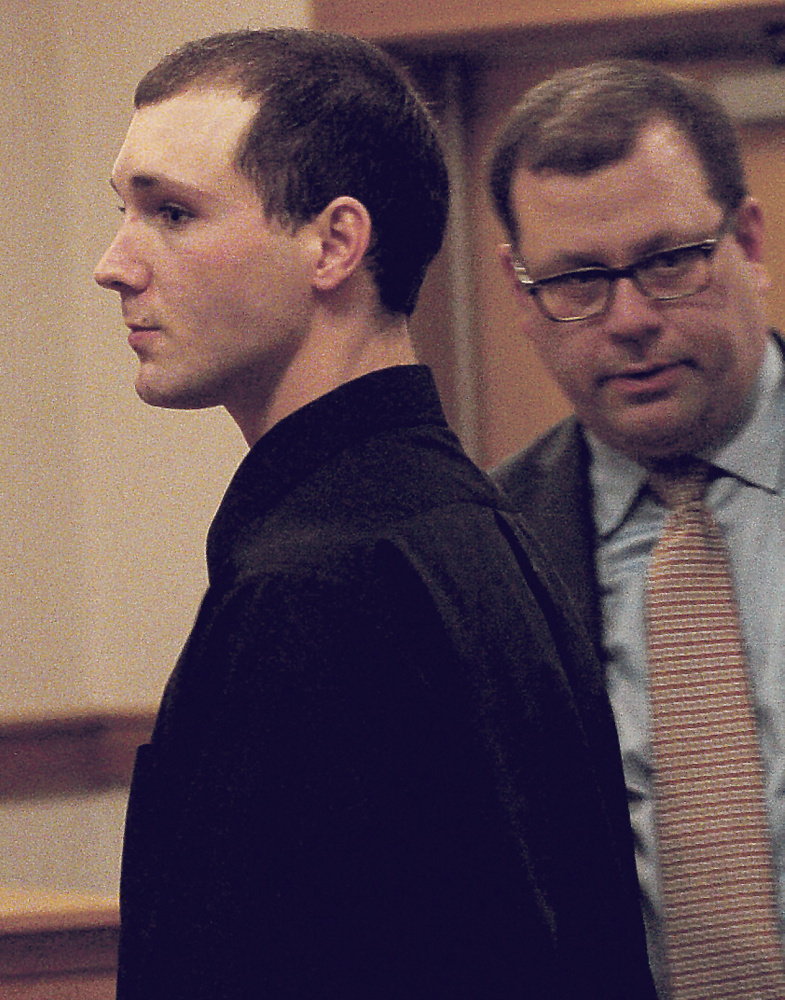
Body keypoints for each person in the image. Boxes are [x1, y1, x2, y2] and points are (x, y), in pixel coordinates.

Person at [93, 29, 656, 1000]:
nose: (115, 264)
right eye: (125, 213)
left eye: (172, 213)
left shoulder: (310, 581)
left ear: (334, 242)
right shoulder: (478, 523)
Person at [488, 57, 785, 997]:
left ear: (746, 238)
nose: (627, 320)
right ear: (520, 289)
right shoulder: (491, 549)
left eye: (667, 262)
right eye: (575, 279)